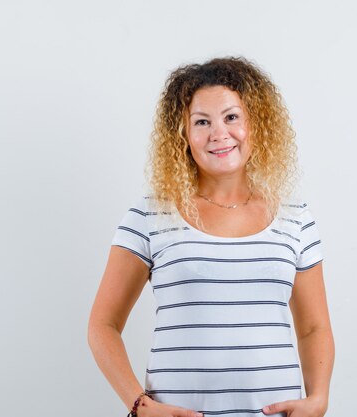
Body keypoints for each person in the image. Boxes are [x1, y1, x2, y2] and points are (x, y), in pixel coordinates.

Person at [88, 56, 335, 417]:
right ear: (183, 134)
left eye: (231, 117)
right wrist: (139, 406)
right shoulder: (149, 216)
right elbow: (102, 325)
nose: (219, 133)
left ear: (256, 123)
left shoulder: (295, 219)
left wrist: (319, 399)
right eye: (202, 122)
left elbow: (314, 328)